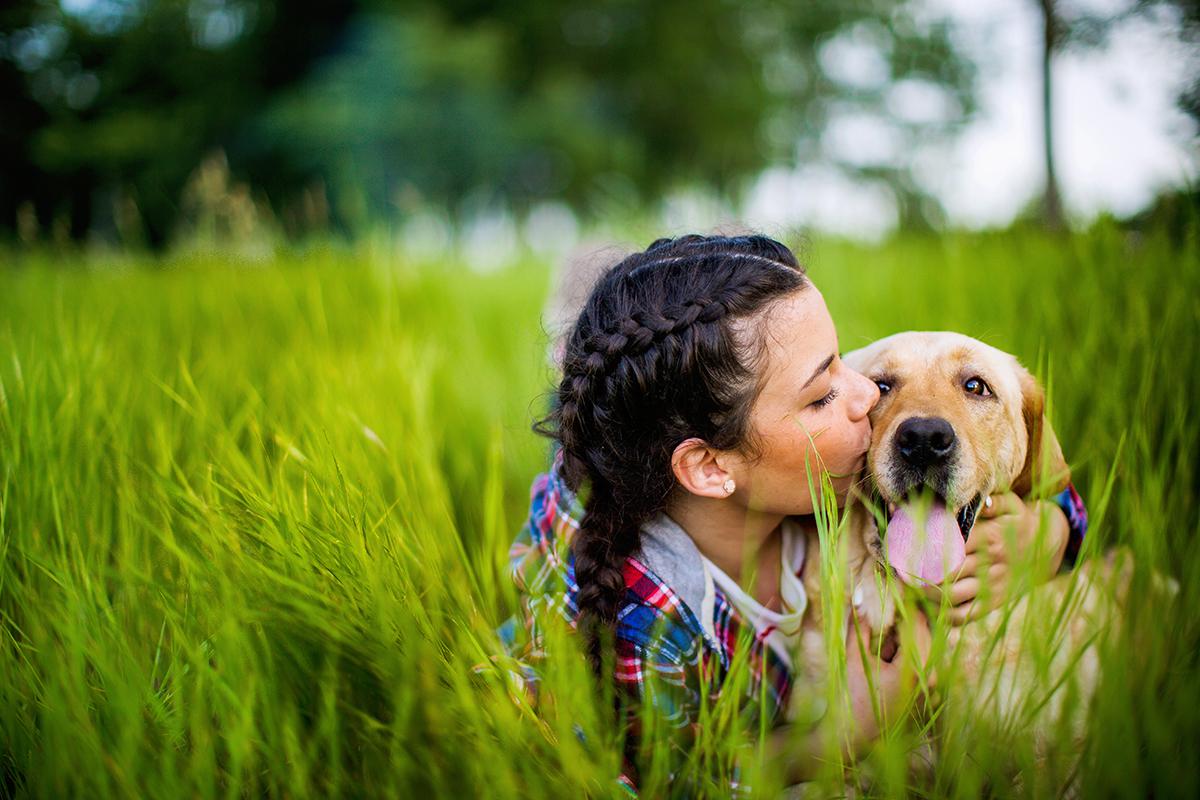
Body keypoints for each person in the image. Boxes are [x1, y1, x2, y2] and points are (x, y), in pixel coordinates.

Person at [502, 234, 1087, 791]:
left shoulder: (824, 483)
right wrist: (842, 733)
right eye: (823, 394)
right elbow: (653, 784)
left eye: (844, 366)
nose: (867, 399)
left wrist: (1055, 530)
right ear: (712, 467)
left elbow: (1038, 474)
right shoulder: (640, 625)